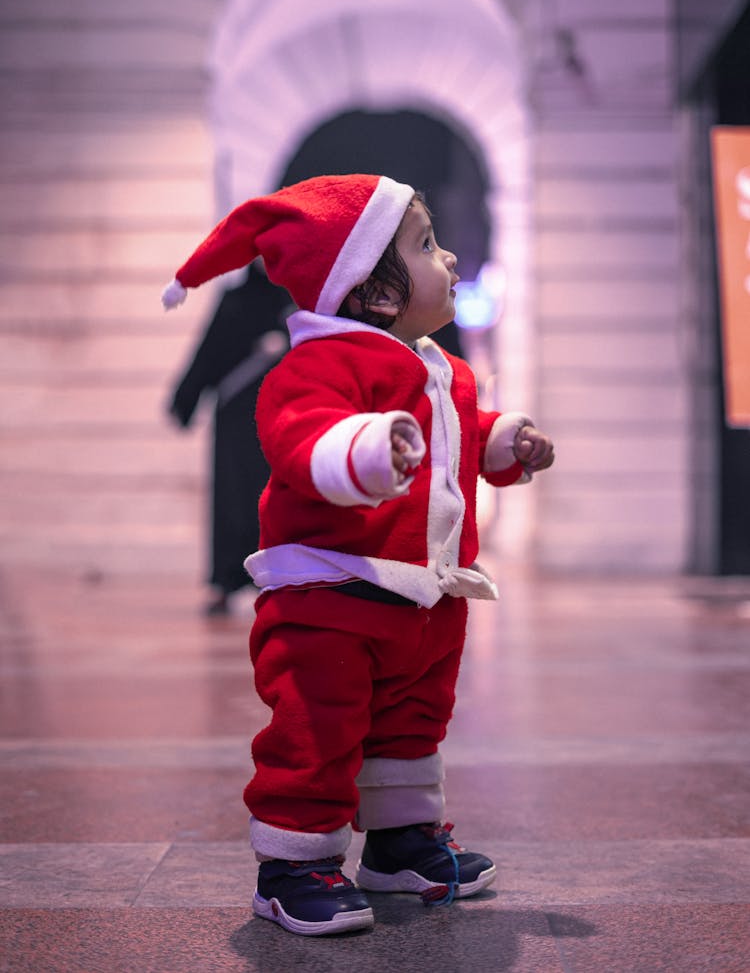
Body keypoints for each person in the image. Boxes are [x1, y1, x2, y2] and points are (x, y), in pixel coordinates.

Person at [161, 173, 554, 937]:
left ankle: (400, 842)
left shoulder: (443, 368)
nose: (448, 261)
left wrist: (509, 442)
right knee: (318, 730)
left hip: (424, 595)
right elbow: (303, 437)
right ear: (375, 293)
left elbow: (467, 435)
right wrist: (372, 449)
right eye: (428, 246)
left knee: (412, 727)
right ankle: (293, 866)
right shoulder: (320, 365)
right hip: (331, 601)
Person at [167, 262, 290, 615]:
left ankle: (277, 580)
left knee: (274, 500)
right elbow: (210, 350)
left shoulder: (299, 302)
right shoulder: (235, 300)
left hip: (281, 415)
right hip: (236, 417)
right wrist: (185, 400)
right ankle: (225, 581)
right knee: (232, 499)